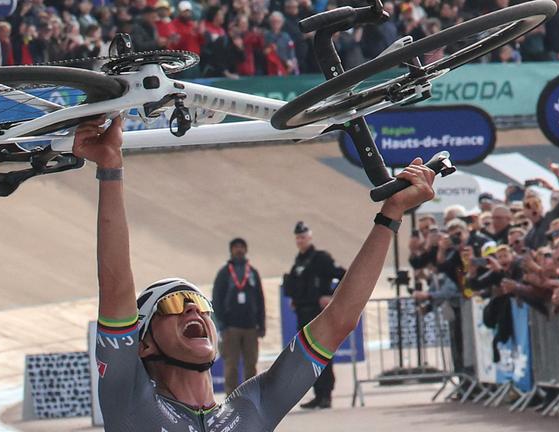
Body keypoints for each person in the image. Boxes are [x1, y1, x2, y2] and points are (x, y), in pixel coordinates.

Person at [73, 116, 436, 431]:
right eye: (173, 305)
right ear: (144, 344)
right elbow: (116, 283)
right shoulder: (129, 398)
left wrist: (391, 214)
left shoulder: (252, 407)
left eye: (200, 304)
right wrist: (110, 169)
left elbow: (340, 319)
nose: (193, 310)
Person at [282, 220, 344, 409]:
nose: (300, 240)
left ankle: (326, 394)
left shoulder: (321, 258)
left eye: (303, 237)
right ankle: (318, 394)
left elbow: (344, 275)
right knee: (309, 358)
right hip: (303, 314)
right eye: (298, 238)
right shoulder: (299, 261)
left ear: (309, 237)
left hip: (318, 314)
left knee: (322, 354)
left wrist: (331, 297)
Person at [211, 237, 265, 396]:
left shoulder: (253, 273)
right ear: (231, 250)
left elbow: (260, 299)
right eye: (236, 247)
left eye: (242, 247)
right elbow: (217, 298)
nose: (239, 250)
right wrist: (222, 325)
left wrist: (261, 325)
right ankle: (231, 397)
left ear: (246, 250)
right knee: (231, 364)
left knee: (251, 364)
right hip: (231, 328)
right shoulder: (224, 273)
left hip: (251, 327)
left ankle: (250, 396)